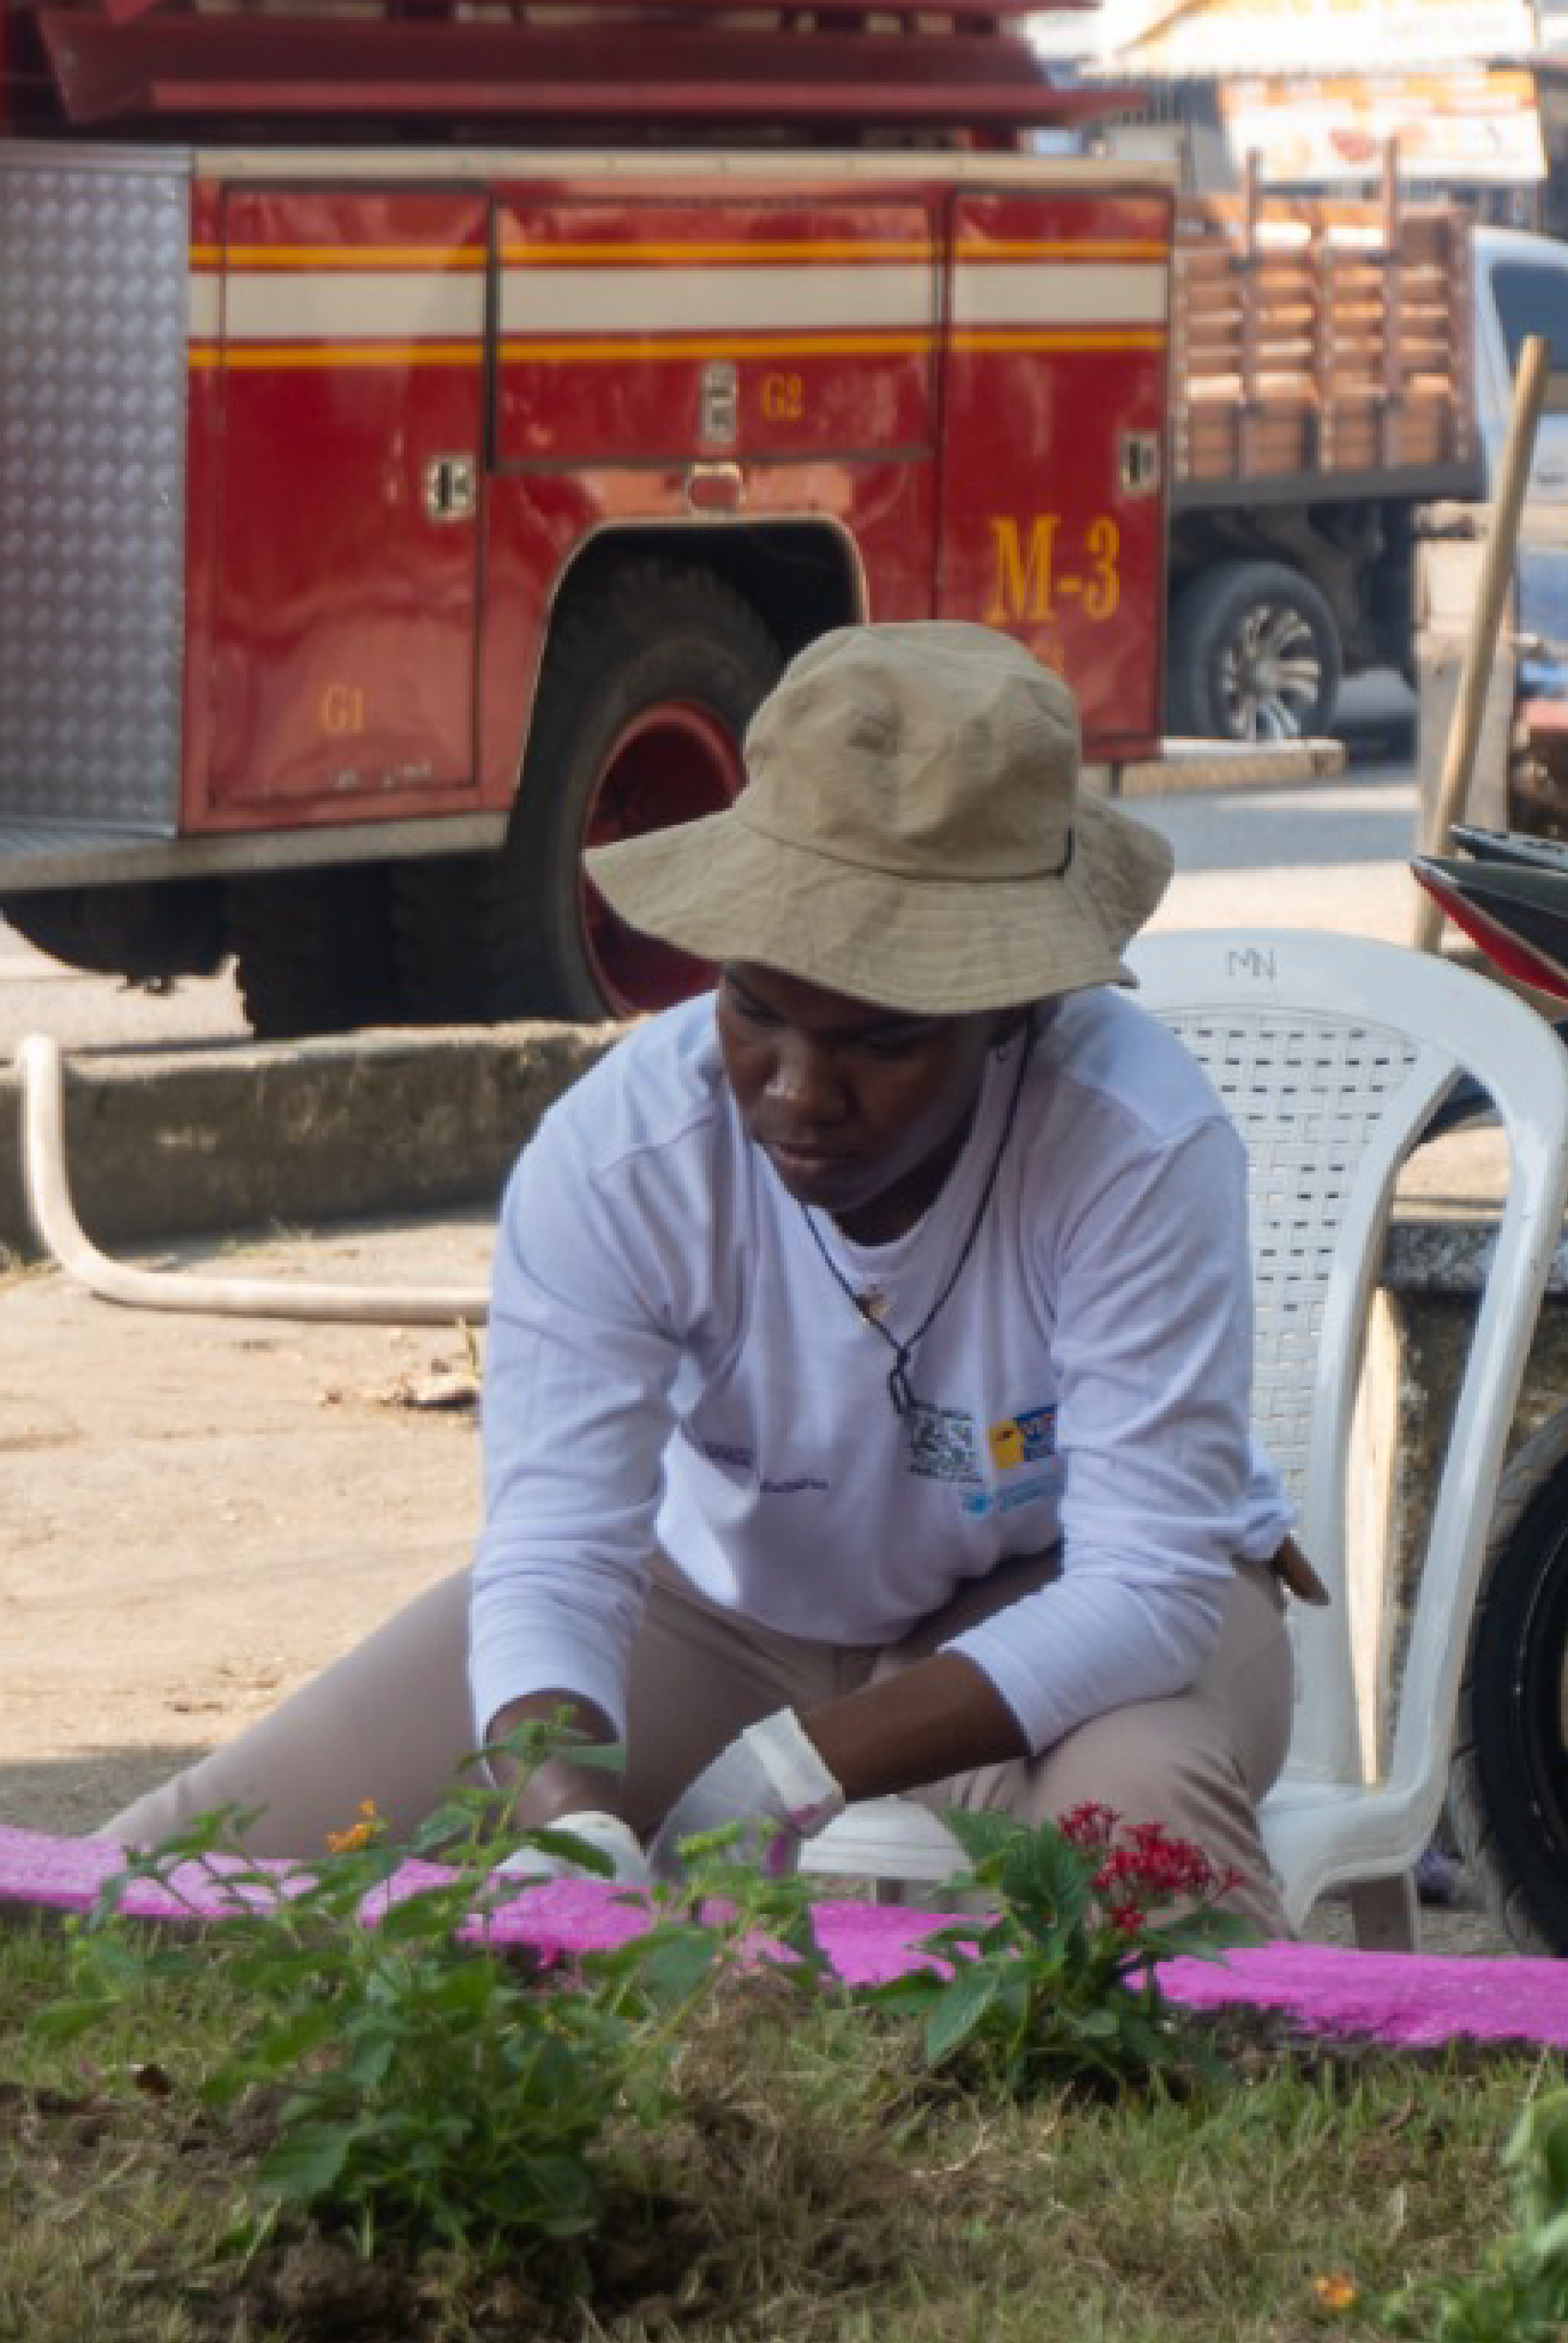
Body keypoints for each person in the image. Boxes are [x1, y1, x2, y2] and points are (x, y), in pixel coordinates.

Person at [100, 621, 1307, 1926]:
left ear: (1012, 1007)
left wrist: (789, 1773)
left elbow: (1144, 1588)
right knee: (166, 1880)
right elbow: (557, 1552)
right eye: (754, 1008)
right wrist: (564, 1815)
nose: (797, 1092)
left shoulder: (1131, 1138)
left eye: (881, 1040)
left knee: (1142, 1835)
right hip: (722, 1609)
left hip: (1068, 1593)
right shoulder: (626, 1150)